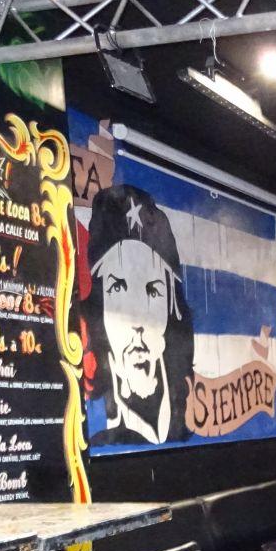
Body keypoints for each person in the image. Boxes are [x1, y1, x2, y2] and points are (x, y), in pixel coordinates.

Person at [81, 183, 194, 446]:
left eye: (152, 290)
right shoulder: (95, 435)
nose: (137, 321)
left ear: (171, 308)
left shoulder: (185, 418)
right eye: (118, 288)